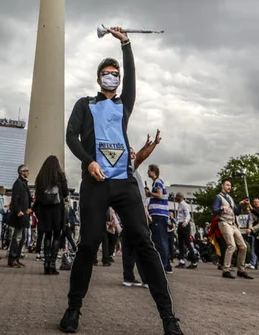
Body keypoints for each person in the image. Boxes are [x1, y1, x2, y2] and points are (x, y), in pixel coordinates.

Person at [59, 26, 181, 335]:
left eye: (115, 73)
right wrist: (87, 162)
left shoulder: (123, 104)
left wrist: (126, 44)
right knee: (87, 244)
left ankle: (169, 318)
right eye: (106, 73)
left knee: (143, 241)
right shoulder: (84, 105)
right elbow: (70, 137)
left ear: (119, 79)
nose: (111, 76)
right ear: (98, 78)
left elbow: (133, 76)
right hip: (96, 183)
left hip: (125, 182)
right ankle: (73, 308)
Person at [122, 135, 161, 288]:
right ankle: (146, 278)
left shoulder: (129, 168)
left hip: (132, 209)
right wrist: (154, 145)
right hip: (135, 210)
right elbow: (140, 157)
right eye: (131, 153)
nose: (134, 154)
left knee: (130, 245)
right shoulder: (129, 167)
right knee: (142, 243)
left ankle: (129, 277)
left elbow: (139, 155)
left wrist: (146, 145)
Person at [33, 155, 70, 275]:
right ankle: (53, 264)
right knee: (56, 236)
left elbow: (37, 197)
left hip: (45, 210)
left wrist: (34, 209)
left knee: (47, 236)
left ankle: (46, 264)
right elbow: (65, 193)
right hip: (57, 210)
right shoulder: (60, 176)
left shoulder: (41, 177)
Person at [211, 179, 252, 280]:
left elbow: (236, 212)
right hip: (224, 222)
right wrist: (222, 208)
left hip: (233, 224)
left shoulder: (230, 198)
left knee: (243, 246)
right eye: (227, 185)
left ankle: (241, 270)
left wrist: (241, 204)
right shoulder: (218, 197)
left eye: (230, 185)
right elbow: (214, 210)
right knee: (231, 246)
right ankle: (226, 269)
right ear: (222, 186)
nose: (229, 187)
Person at [146, 164, 172, 273]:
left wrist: (149, 193)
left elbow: (160, 195)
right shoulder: (158, 182)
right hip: (161, 215)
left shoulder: (157, 182)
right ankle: (167, 265)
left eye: (149, 171)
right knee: (163, 240)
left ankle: (163, 265)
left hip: (158, 214)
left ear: (153, 171)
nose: (147, 173)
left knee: (160, 240)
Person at [8, 164, 32, 269]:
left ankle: (16, 258)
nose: (28, 172)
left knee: (22, 238)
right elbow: (15, 198)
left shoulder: (23, 183)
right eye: (26, 171)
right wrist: (18, 211)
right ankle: (12, 259)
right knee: (17, 237)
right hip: (20, 214)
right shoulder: (18, 183)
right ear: (21, 172)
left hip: (24, 214)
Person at [175, 193, 197, 269]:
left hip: (184, 225)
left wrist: (185, 222)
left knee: (187, 243)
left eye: (177, 196)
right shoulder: (180, 205)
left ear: (180, 197)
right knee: (180, 243)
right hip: (180, 224)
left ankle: (194, 261)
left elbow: (188, 214)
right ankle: (182, 261)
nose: (175, 198)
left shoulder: (184, 205)